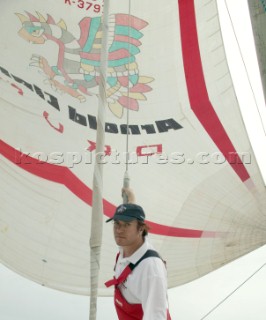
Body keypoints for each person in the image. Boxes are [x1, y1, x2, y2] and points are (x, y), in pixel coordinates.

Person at [105, 188, 171, 320]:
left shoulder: (150, 270)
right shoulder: (127, 246)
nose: (119, 230)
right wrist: (131, 201)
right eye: (116, 223)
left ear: (141, 228)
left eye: (126, 224)